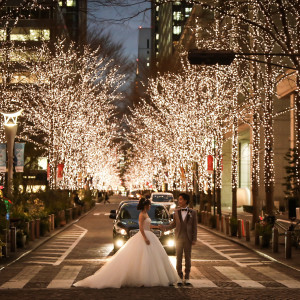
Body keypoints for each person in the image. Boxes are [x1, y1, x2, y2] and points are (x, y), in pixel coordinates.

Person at [73, 198, 178, 288]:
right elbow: (141, 228)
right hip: (144, 235)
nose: (150, 206)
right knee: (143, 257)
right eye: (149, 205)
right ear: (146, 206)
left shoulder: (146, 214)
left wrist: (156, 226)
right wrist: (145, 238)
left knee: (150, 257)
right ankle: (141, 279)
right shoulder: (142, 214)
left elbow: (148, 226)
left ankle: (148, 277)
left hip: (149, 234)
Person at [160, 193, 197, 286]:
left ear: (185, 201)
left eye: (180, 199)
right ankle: (179, 277)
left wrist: (194, 239)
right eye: (179, 199)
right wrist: (164, 227)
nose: (179, 201)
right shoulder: (176, 212)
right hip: (178, 238)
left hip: (188, 238)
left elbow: (194, 227)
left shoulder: (193, 212)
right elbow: (173, 225)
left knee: (188, 258)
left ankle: (187, 277)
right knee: (178, 257)